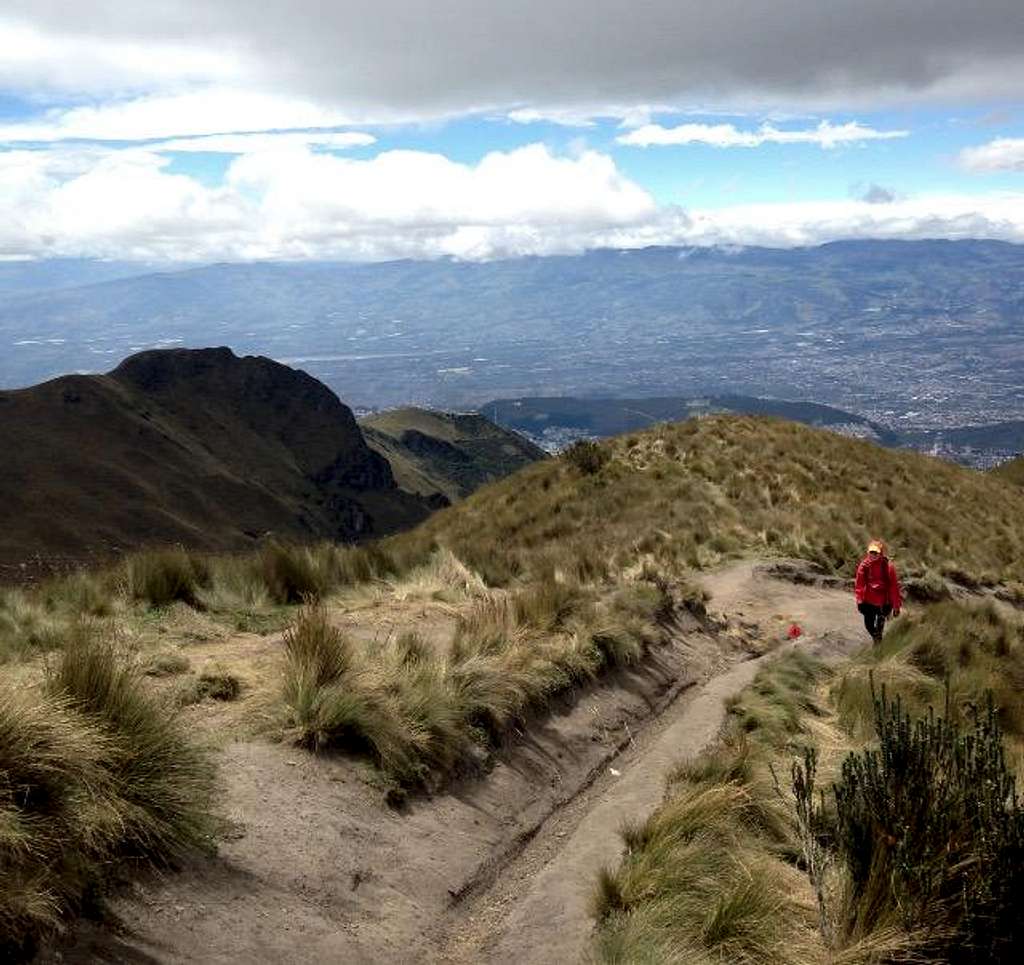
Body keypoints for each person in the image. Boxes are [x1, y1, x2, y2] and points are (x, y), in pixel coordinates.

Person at [855, 539, 903, 644]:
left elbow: (894, 587)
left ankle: (878, 645)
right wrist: (859, 600)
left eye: (875, 552)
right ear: (868, 552)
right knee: (868, 625)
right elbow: (859, 584)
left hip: (884, 602)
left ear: (880, 553)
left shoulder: (888, 567)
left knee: (879, 627)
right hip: (868, 601)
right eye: (871, 552)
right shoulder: (864, 566)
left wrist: (896, 606)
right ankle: (877, 640)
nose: (873, 555)